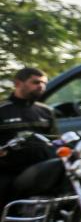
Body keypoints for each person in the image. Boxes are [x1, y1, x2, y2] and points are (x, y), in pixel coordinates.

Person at [0, 67, 60, 203]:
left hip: (41, 168)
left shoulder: (46, 111)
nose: (41, 86)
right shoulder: (2, 110)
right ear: (17, 83)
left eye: (44, 83)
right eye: (36, 82)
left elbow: (55, 140)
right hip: (8, 171)